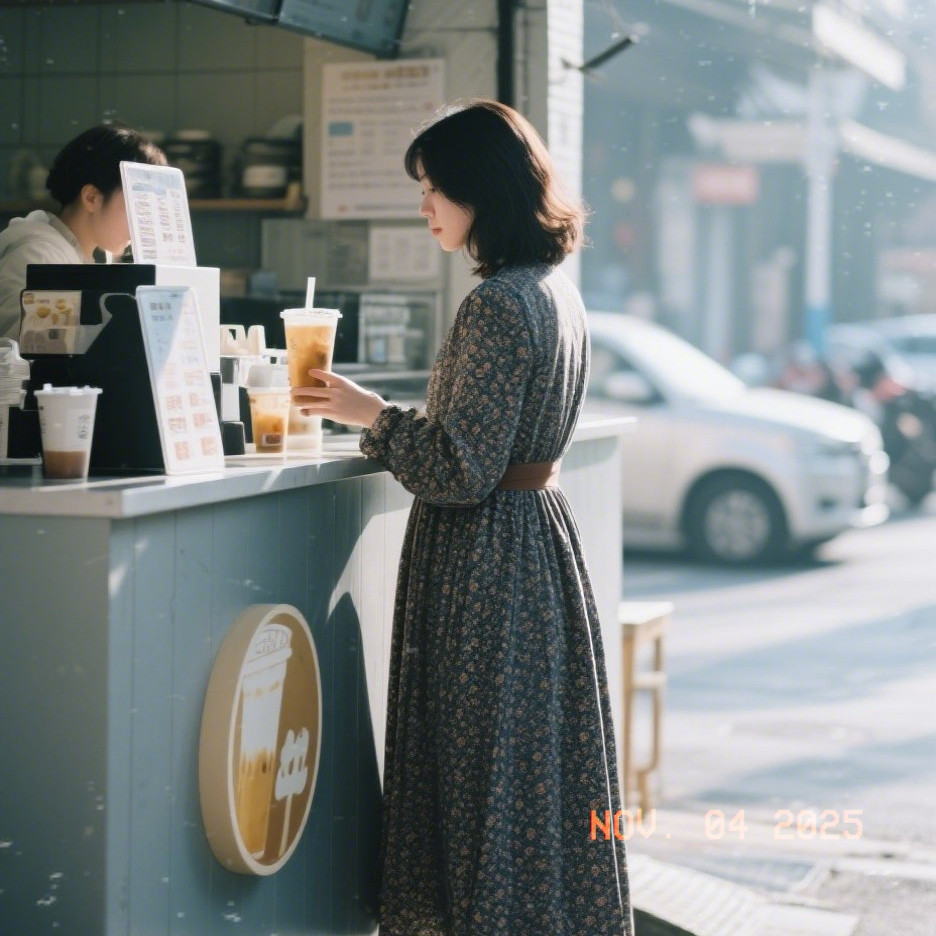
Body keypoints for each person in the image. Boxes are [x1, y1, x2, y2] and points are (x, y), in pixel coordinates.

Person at [293, 99, 633, 936]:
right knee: (528, 778)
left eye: (434, 190)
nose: (424, 208)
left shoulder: (496, 305)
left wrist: (370, 414)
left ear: (479, 191)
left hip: (487, 568)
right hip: (537, 551)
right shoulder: (555, 294)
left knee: (475, 776)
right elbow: (486, 442)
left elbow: (456, 470)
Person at [0, 124, 166, 339]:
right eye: (136, 206)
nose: (143, 223)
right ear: (91, 198)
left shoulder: (73, 255)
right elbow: (20, 349)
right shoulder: (36, 254)